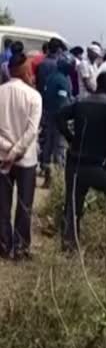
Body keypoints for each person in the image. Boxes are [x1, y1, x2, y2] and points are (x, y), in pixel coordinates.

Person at [57, 71, 106, 250]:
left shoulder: (81, 102)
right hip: (96, 166)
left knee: (72, 207)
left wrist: (70, 138)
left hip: (75, 163)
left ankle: (69, 247)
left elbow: (59, 117)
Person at [0, 53, 43, 259]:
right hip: (26, 159)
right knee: (25, 204)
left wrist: (7, 150)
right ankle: (20, 248)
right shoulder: (34, 96)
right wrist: (16, 151)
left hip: (2, 157)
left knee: (2, 204)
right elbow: (32, 131)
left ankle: (3, 244)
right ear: (25, 70)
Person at [39, 57, 74, 186]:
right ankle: (57, 180)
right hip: (59, 119)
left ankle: (47, 177)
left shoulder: (51, 77)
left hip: (48, 116)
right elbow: (62, 101)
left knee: (48, 145)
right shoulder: (63, 81)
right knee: (59, 147)